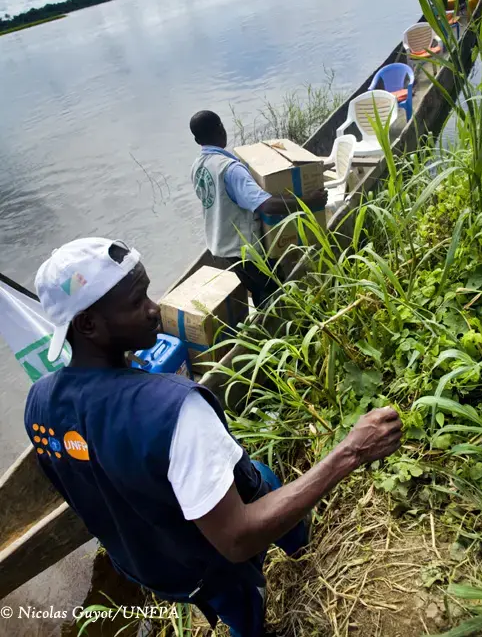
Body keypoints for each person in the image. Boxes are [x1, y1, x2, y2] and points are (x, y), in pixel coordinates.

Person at [25, 237, 402, 637]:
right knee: (245, 604)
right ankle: (294, 568)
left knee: (256, 484)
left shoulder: (38, 402)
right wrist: (351, 451)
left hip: (152, 567)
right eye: (137, 302)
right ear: (87, 324)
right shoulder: (175, 411)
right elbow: (237, 540)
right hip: (211, 567)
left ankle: (294, 560)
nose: (155, 309)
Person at [190, 110, 328, 307]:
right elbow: (267, 205)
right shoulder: (230, 169)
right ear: (221, 129)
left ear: (197, 140)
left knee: (257, 289)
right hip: (245, 249)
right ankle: (283, 330)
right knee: (276, 292)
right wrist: (309, 201)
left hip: (222, 244)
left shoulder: (198, 166)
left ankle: (263, 326)